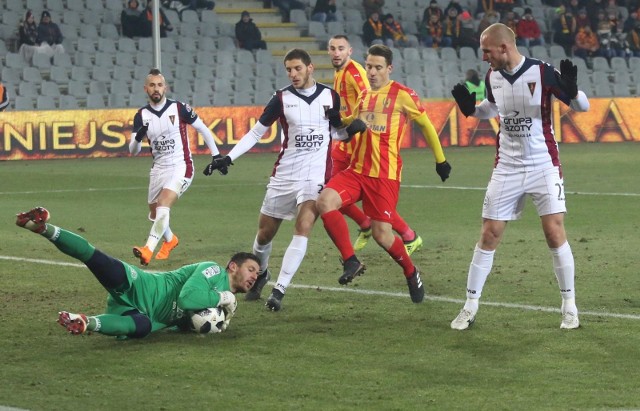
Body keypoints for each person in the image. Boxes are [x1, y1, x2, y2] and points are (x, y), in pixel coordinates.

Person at [449, 23, 590, 330]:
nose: (484, 56)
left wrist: (573, 88)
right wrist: (471, 110)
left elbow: (582, 106)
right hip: (507, 166)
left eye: (487, 50)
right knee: (490, 233)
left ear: (504, 47)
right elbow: (491, 108)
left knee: (554, 231)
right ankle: (470, 305)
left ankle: (569, 306)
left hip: (543, 164)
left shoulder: (542, 72)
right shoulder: (492, 76)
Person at [203, 49, 362, 312]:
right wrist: (228, 158)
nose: (293, 74)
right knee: (265, 234)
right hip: (285, 175)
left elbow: (335, 131)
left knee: (304, 225)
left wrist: (350, 131)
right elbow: (256, 132)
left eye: (297, 68)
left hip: (314, 176)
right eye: (288, 69)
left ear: (310, 68)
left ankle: (279, 290)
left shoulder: (329, 96)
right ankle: (262, 273)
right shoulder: (281, 98)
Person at [317, 44, 452, 304]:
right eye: (369, 66)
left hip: (384, 176)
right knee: (325, 201)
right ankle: (351, 261)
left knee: (381, 234)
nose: (372, 72)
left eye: (378, 67)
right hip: (356, 170)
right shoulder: (364, 96)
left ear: (389, 68)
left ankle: (411, 272)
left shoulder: (403, 94)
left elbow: (426, 125)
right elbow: (353, 122)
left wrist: (441, 160)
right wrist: (338, 118)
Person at [15, 207, 258, 338]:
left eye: (257, 274)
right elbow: (186, 299)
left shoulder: (223, 302)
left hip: (147, 316)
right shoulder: (213, 269)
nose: (254, 276)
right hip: (141, 285)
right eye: (251, 269)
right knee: (96, 258)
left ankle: (84, 322)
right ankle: (42, 227)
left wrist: (211, 323)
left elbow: (184, 320)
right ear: (233, 266)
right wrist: (222, 299)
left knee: (140, 328)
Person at [328, 35, 424, 255]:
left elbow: (370, 100)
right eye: (332, 48)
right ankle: (403, 234)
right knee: (331, 192)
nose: (336, 52)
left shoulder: (355, 73)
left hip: (357, 144)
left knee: (334, 191)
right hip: (347, 139)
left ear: (349, 50)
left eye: (340, 48)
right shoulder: (340, 72)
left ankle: (368, 226)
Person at [129, 69, 222, 265]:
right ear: (146, 89)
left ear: (166, 87)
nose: (156, 89)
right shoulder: (141, 115)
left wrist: (216, 155)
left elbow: (203, 129)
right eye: (152, 85)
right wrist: (138, 137)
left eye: (159, 85)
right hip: (158, 169)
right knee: (155, 213)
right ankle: (170, 240)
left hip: (181, 165)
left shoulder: (179, 108)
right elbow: (133, 150)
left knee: (163, 204)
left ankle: (148, 249)